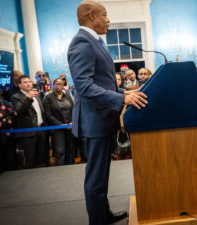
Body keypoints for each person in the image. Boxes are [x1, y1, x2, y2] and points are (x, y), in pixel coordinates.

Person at [67, 2, 148, 224]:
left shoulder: (94, 42)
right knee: (96, 176)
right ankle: (97, 220)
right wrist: (122, 98)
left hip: (102, 120)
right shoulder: (82, 43)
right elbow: (84, 86)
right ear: (91, 15)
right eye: (105, 15)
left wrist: (128, 91)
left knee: (102, 174)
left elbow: (103, 83)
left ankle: (103, 214)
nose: (108, 20)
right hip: (94, 122)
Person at [11, 75, 47, 168]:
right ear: (19, 85)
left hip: (40, 129)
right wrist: (29, 98)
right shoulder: (16, 97)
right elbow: (20, 112)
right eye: (25, 82)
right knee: (30, 159)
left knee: (41, 157)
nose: (28, 84)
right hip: (28, 133)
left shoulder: (36, 94)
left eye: (29, 81)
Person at [43, 79, 75, 165]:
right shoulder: (48, 97)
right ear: (52, 85)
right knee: (60, 151)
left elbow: (73, 110)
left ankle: (72, 169)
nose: (59, 86)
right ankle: (60, 170)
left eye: (61, 84)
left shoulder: (67, 95)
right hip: (57, 128)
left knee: (71, 150)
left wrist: (72, 122)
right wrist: (60, 124)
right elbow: (48, 114)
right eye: (57, 84)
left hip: (70, 127)